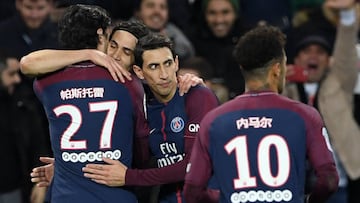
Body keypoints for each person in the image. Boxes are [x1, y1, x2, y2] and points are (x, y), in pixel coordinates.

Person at [183, 25, 339, 203]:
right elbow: (328, 180)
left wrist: (223, 198)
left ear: (242, 67)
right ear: (277, 68)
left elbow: (193, 190)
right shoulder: (305, 115)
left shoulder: (214, 120)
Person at [79, 33, 219, 203]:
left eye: (167, 64)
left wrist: (130, 177)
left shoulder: (197, 96)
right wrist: (65, 169)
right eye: (153, 67)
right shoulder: (142, 107)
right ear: (139, 71)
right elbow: (113, 152)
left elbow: (191, 165)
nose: (164, 74)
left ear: (176, 63)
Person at [29, 4, 148, 202]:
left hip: (67, 196)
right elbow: (142, 146)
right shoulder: (128, 83)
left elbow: (28, 64)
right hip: (116, 195)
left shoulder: (44, 83)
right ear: (101, 35)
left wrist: (66, 163)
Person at [284, 0, 360, 202]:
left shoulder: (339, 83)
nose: (313, 56)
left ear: (328, 61)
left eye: (320, 52)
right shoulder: (282, 89)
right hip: (294, 183)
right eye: (307, 51)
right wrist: (276, 81)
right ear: (297, 59)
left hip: (338, 184)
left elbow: (346, 53)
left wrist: (346, 17)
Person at [0, 52, 51, 203]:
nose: (17, 79)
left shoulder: (23, 105)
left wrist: (39, 183)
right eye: (11, 74)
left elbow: (38, 145)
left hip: (13, 190)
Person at [189, 0, 246, 99]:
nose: (219, 20)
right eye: (212, 13)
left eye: (225, 12)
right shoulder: (192, 41)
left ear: (235, 13)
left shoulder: (248, 41)